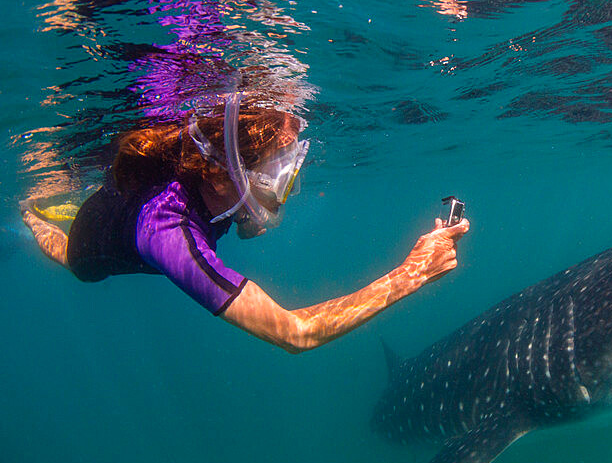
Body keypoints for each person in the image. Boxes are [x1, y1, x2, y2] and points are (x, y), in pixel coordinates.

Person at [20, 93, 469, 354]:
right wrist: (413, 273)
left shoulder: (215, 177)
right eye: (275, 174)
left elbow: (237, 204)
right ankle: (32, 217)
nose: (283, 186)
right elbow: (296, 333)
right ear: (223, 172)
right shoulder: (167, 231)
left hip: (144, 194)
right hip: (94, 241)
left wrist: (244, 212)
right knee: (67, 255)